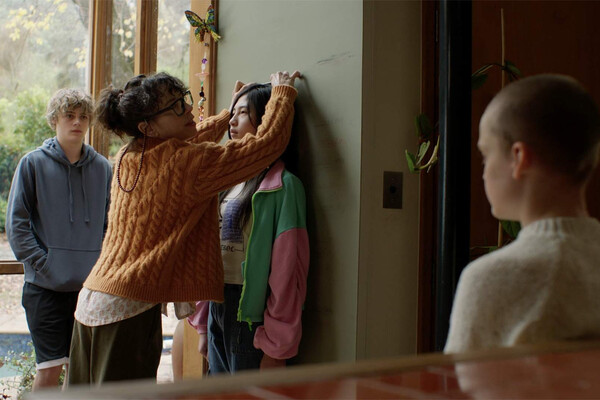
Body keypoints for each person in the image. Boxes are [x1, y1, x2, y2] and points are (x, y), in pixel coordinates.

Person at [68, 70, 301, 385]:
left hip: (91, 301)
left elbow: (191, 142)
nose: (188, 108)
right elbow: (266, 145)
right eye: (176, 106)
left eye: (185, 99)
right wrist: (282, 94)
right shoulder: (188, 163)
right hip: (125, 313)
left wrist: (228, 112)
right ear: (148, 126)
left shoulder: (129, 154)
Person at [444, 74, 600, 353]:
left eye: (486, 155)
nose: (483, 172)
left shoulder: (490, 280)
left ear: (519, 158)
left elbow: (462, 379)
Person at [186, 83, 309, 374]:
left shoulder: (284, 186)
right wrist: (203, 323)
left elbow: (288, 272)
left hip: (252, 319)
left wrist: (276, 346)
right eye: (233, 113)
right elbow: (208, 253)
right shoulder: (226, 181)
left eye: (243, 113)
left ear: (266, 119)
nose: (232, 121)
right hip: (217, 305)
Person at [5, 88, 112, 389]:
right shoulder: (32, 164)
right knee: (49, 371)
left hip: (89, 289)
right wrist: (44, 263)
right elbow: (17, 224)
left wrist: (100, 264)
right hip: (45, 288)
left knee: (80, 373)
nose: (77, 122)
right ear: (54, 120)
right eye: (69, 115)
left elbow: (111, 224)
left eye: (83, 117)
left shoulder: (103, 168)